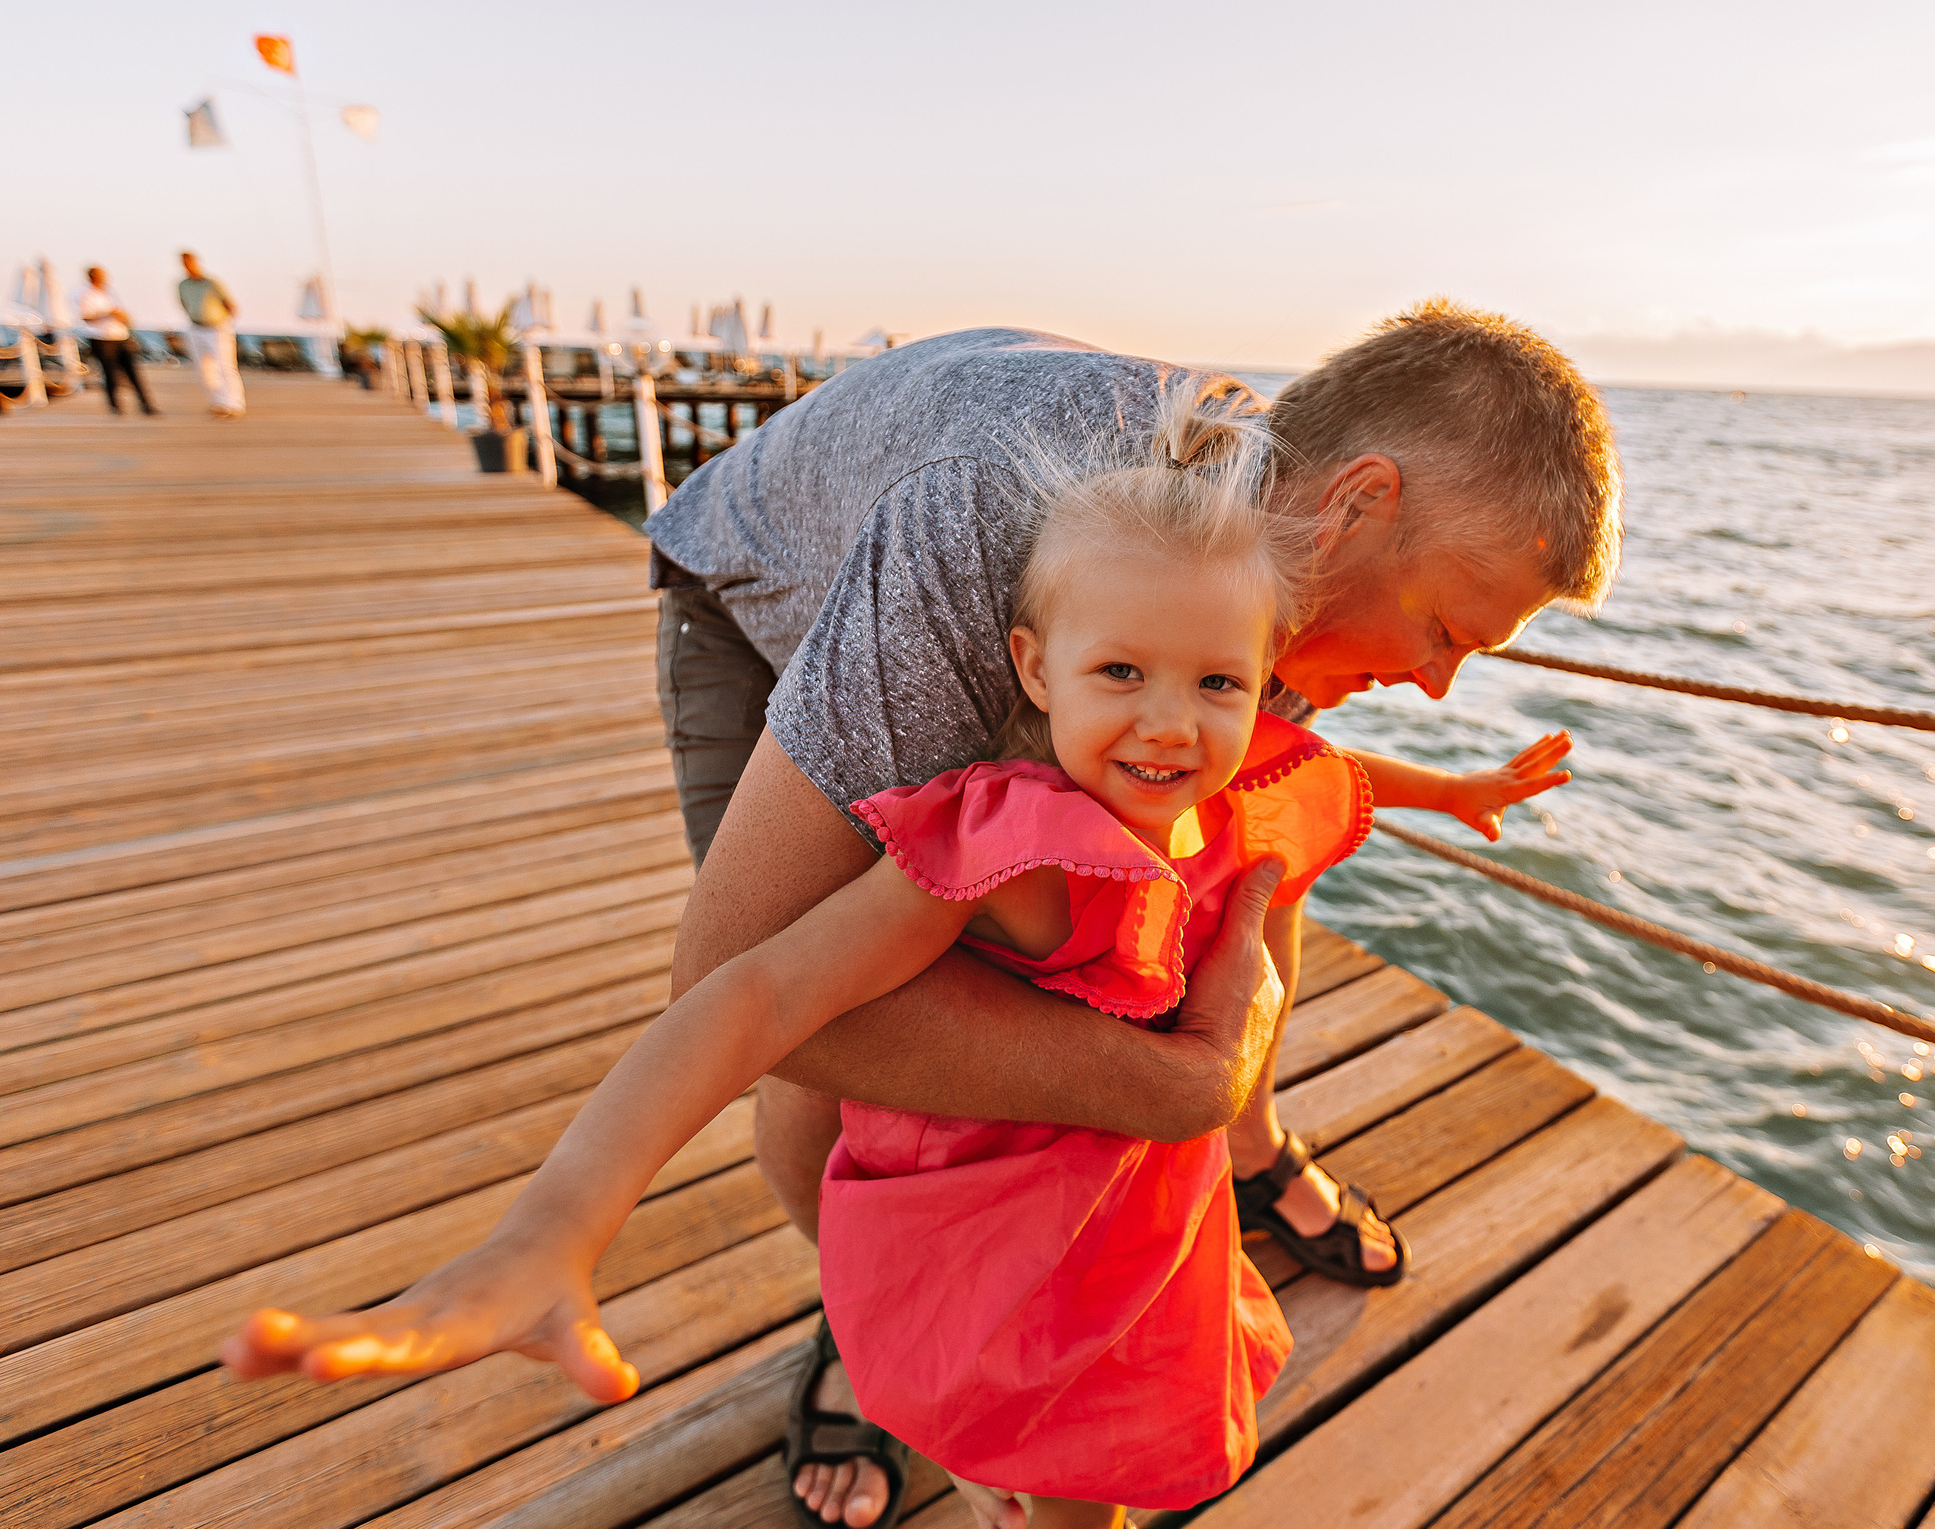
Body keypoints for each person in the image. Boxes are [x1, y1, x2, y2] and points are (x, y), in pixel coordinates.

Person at [222, 382, 1375, 1529]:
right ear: (1032, 668)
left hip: (1142, 1247)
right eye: (1120, 674)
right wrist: (559, 1224)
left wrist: (1447, 786)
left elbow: (1291, 765)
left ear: (1261, 675)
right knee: (1030, 1425)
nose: (1172, 724)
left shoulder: (1215, 780)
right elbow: (759, 991)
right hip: (1003, 1229)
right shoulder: (1010, 849)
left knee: (1100, 1472)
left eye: (1216, 682)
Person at [646, 304, 1619, 1526]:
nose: (1432, 684)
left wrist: (1236, 1114)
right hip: (767, 596)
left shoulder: (1259, 574)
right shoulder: (986, 512)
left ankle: (1263, 1159)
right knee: (841, 1023)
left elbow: (1257, 864)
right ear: (1358, 501)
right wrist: (1168, 1092)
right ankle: (864, 1319)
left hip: (1001, 557)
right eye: (1440, 632)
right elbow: (744, 991)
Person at [78, 266, 157, 416]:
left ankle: (146, 404)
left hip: (120, 335)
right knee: (109, 373)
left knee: (132, 371)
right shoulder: (86, 294)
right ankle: (115, 406)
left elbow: (121, 312)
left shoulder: (110, 293)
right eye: (101, 275)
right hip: (101, 338)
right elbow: (86, 317)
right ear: (93, 276)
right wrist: (108, 313)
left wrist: (124, 318)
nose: (104, 278)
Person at [176, 251, 245, 419]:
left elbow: (230, 305)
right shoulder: (182, 285)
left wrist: (225, 325)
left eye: (190, 262)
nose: (188, 265)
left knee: (225, 366)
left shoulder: (212, 282)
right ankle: (219, 402)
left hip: (217, 328)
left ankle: (234, 404)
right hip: (195, 327)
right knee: (204, 368)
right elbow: (184, 304)